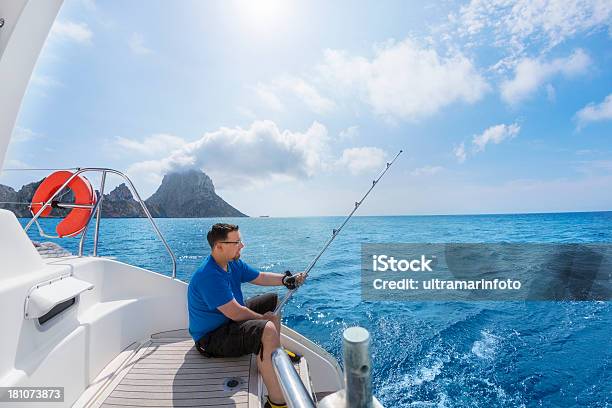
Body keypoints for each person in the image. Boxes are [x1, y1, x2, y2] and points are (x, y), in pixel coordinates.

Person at [188, 223, 306, 408]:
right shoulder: (209, 275)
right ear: (219, 246)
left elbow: (260, 277)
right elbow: (235, 312)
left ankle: (273, 351)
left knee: (273, 300)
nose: (242, 245)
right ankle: (277, 403)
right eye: (237, 242)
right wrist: (263, 320)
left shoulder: (232, 263)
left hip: (227, 322)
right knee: (267, 328)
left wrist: (285, 279)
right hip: (210, 340)